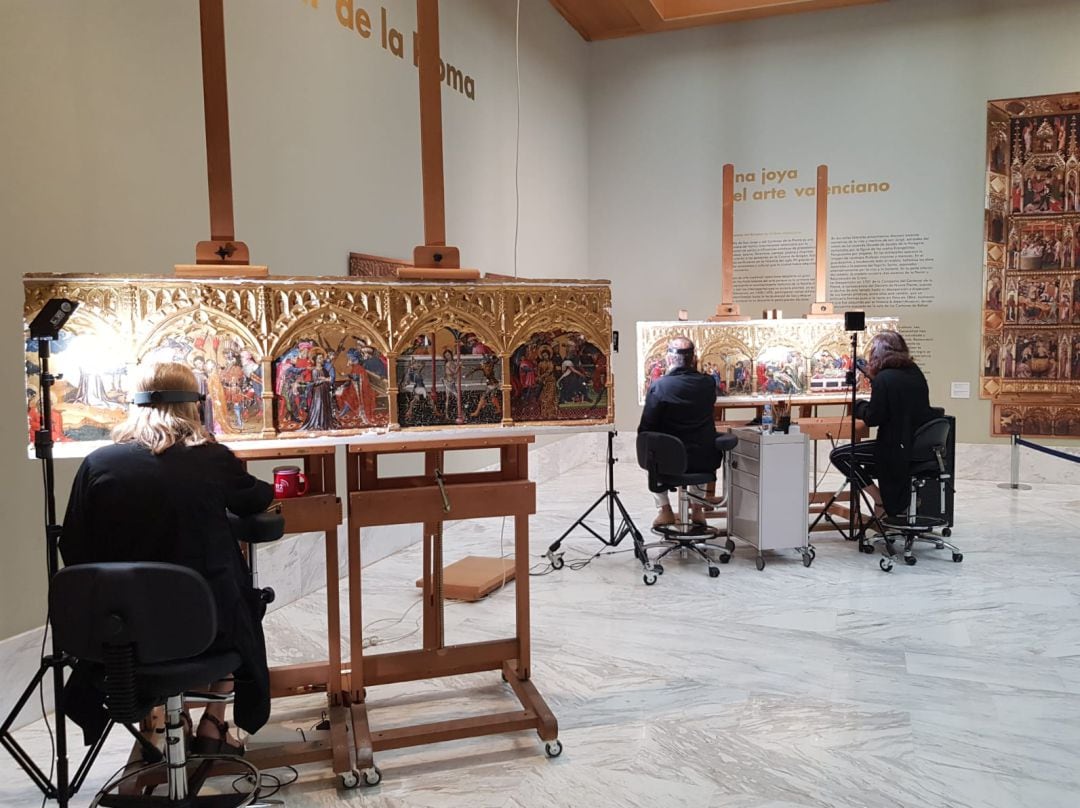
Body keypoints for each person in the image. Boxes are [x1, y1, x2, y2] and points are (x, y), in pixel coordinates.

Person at [59, 362, 275, 755]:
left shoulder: (99, 463)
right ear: (195, 406)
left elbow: (73, 546)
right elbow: (256, 499)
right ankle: (213, 725)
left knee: (164, 617)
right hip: (207, 630)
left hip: (119, 633)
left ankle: (165, 723)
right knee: (239, 605)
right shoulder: (210, 457)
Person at [829, 331, 935, 519]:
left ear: (877, 355)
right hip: (915, 445)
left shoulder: (885, 379)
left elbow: (873, 418)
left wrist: (858, 405)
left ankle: (879, 499)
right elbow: (898, 401)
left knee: (840, 455)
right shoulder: (914, 372)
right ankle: (886, 503)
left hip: (892, 448)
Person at [638, 337, 720, 528]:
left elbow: (646, 426)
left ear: (668, 359)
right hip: (703, 460)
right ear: (694, 359)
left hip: (670, 461)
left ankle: (665, 511)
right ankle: (697, 509)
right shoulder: (708, 384)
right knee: (700, 449)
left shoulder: (660, 386)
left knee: (651, 450)